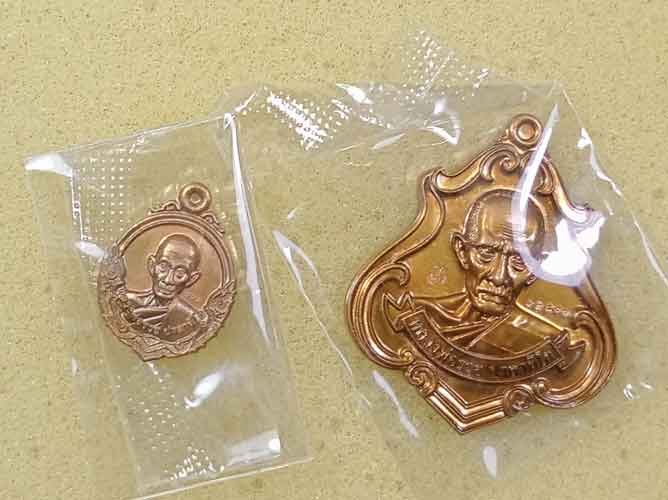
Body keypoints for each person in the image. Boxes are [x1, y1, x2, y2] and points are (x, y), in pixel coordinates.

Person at [389, 189, 564, 356]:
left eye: (519, 261)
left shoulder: (542, 339)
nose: (498, 277)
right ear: (461, 251)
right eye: (486, 253)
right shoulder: (424, 313)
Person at [127, 233, 202, 334]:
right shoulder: (128, 301)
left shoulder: (189, 317)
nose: (167, 280)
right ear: (152, 266)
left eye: (180, 273)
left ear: (191, 279)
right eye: (163, 266)